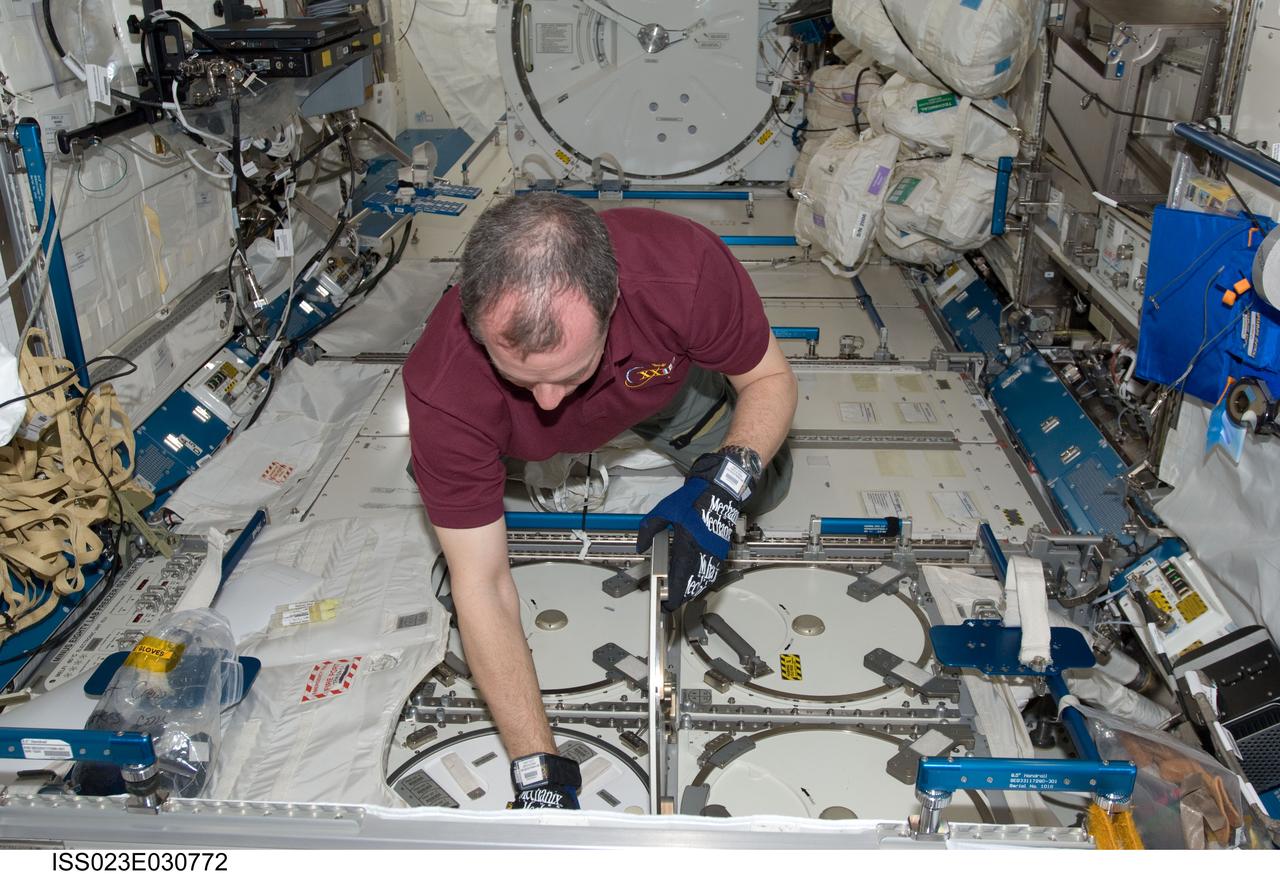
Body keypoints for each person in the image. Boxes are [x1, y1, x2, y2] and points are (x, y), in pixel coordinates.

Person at [404, 193, 796, 809]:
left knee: (768, 481)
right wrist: (538, 770)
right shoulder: (444, 386)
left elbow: (768, 380)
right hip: (507, 432)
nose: (553, 400)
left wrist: (720, 489)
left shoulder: (680, 270)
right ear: (475, 325)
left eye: (570, 370)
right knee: (451, 483)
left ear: (613, 303)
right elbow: (479, 583)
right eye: (525, 376)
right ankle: (484, 451)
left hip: (651, 391)